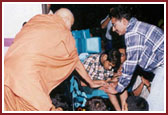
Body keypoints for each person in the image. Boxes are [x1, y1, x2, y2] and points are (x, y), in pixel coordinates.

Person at [4, 8, 102, 111]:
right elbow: (75, 61)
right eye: (71, 26)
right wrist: (91, 82)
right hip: (27, 76)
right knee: (42, 108)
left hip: (7, 70)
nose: (69, 30)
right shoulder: (64, 32)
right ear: (67, 21)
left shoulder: (37, 19)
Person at [103, 5, 164, 111]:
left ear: (124, 22)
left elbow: (131, 63)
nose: (113, 29)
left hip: (164, 67)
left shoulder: (132, 33)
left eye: (114, 25)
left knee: (155, 106)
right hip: (162, 66)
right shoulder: (137, 26)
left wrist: (117, 89)